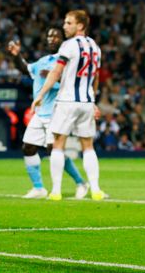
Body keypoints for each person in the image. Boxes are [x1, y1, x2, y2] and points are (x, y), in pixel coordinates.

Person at [33, 10, 105, 201]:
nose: (65, 26)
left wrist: (40, 95)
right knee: (88, 145)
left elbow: (56, 72)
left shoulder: (69, 45)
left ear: (80, 26)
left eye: (69, 23)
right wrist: (93, 100)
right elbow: (95, 77)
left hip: (67, 101)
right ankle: (96, 189)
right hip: (86, 102)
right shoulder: (95, 47)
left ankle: (56, 191)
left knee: (58, 144)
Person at [9, 28, 89, 199]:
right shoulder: (43, 61)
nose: (51, 39)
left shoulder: (68, 61)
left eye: (55, 36)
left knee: (54, 150)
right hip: (40, 112)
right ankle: (38, 188)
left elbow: (75, 82)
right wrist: (16, 55)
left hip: (58, 111)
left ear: (63, 40)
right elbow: (25, 69)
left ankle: (81, 182)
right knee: (28, 147)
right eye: (49, 36)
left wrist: (55, 77)